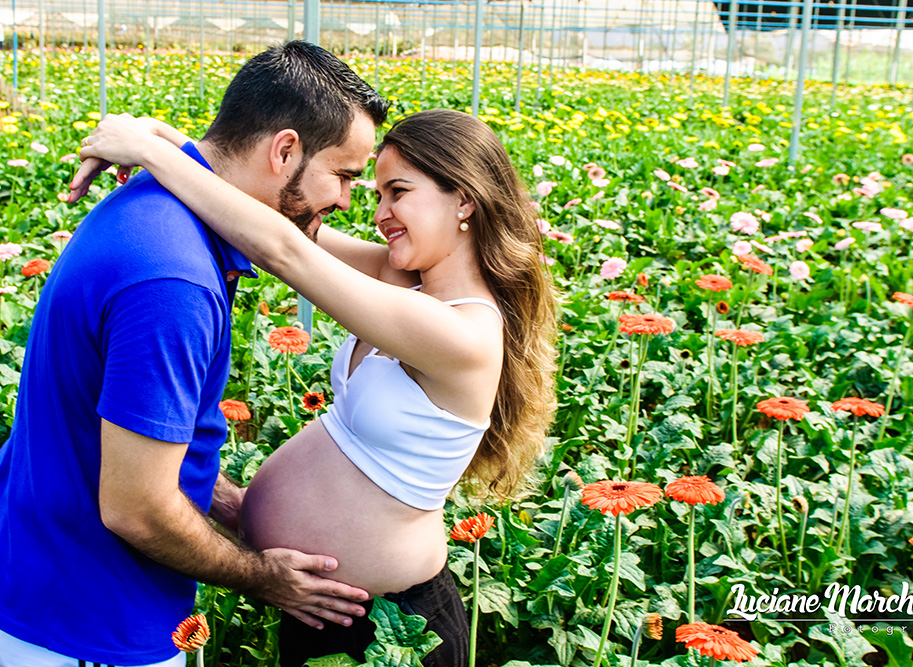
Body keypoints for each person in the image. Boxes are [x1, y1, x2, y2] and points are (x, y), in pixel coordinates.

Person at [72, 107, 559, 666]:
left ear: (464, 200)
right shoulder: (404, 280)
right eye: (374, 193)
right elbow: (294, 221)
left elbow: (283, 248)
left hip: (392, 630)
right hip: (327, 610)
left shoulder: (464, 333)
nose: (379, 213)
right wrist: (174, 139)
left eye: (396, 192)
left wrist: (153, 154)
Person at [0, 41, 388, 667]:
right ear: (284, 149)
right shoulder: (172, 279)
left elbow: (128, 446)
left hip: (50, 580)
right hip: (87, 625)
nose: (346, 199)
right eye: (342, 175)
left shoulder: (163, 201)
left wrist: (235, 505)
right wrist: (262, 576)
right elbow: (138, 508)